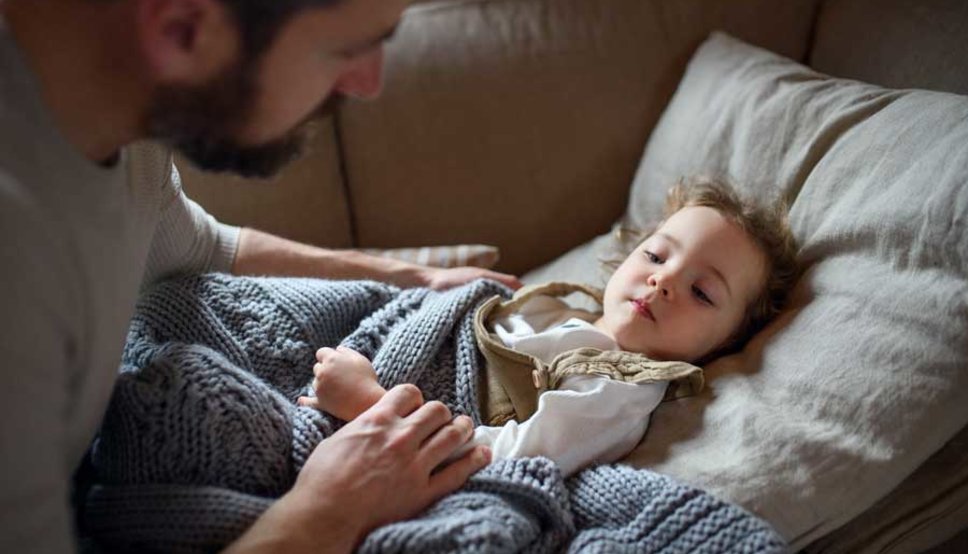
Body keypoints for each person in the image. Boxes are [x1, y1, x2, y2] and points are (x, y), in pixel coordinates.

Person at [0, 0, 524, 552]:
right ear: (183, 28)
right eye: (347, 50)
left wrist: (413, 276)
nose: (367, 83)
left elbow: (199, 246)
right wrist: (332, 507)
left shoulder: (115, 112)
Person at [299, 178, 800, 477]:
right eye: (656, 254)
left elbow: (510, 460)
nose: (663, 279)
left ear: (725, 345)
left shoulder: (620, 389)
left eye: (702, 292)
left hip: (385, 418)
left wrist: (370, 403)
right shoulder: (555, 309)